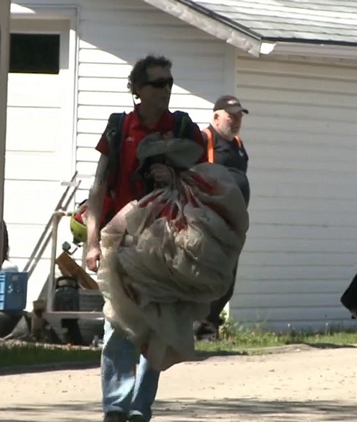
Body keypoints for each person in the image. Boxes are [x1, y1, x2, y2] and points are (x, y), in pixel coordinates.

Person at [84, 54, 206, 422]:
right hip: (121, 241)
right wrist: (92, 242)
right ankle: (116, 407)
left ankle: (139, 408)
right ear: (137, 90)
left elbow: (206, 184)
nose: (166, 90)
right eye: (157, 84)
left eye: (169, 83)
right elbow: (99, 184)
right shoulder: (119, 128)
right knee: (117, 323)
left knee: (158, 325)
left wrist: (176, 179)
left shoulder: (185, 128)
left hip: (169, 244)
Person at [193, 95, 250, 340]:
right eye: (231, 115)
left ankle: (208, 328)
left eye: (239, 116)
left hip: (233, 223)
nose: (236, 120)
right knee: (206, 276)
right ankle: (199, 330)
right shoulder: (204, 140)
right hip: (210, 221)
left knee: (227, 281)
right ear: (216, 116)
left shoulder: (238, 144)